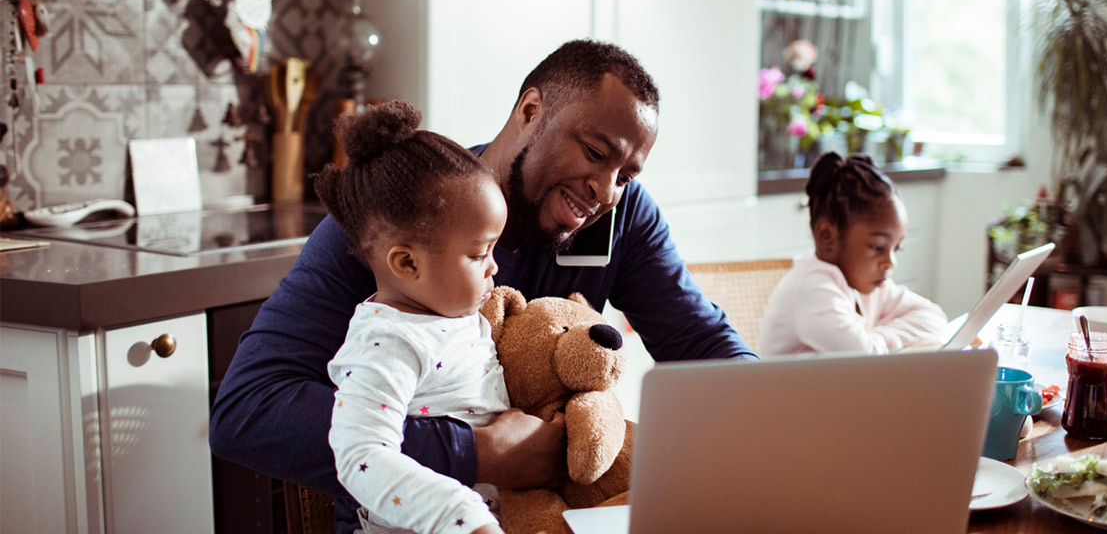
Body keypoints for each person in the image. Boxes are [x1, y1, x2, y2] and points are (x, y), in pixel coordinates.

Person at [210, 39, 756, 533]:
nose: (607, 191)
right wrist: (473, 452)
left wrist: (790, 418)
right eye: (594, 152)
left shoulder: (621, 218)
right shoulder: (399, 221)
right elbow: (248, 412)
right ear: (530, 110)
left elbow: (702, 346)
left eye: (627, 175)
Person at [315, 101, 508, 534]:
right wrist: (465, 516)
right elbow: (361, 455)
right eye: (479, 254)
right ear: (407, 264)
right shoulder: (385, 342)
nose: (494, 267)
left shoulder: (455, 314)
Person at [759, 151, 946, 355]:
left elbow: (933, 317)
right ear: (826, 235)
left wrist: (878, 337)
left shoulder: (867, 285)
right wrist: (878, 341)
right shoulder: (812, 287)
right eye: (877, 247)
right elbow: (864, 357)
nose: (890, 263)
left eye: (896, 248)